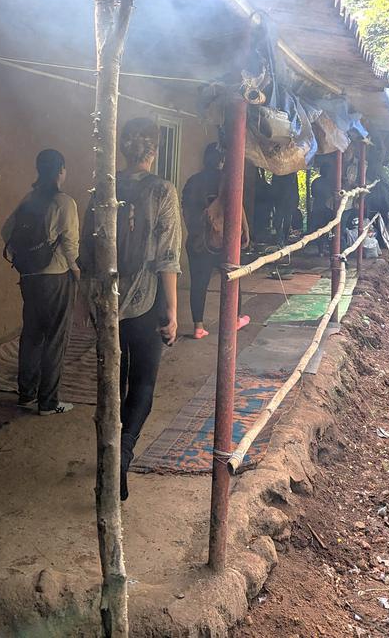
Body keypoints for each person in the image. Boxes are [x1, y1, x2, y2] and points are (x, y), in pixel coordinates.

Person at [113, 118, 182, 501]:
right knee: (143, 383)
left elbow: (88, 254)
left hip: (107, 303)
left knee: (112, 382)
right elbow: (167, 257)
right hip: (145, 303)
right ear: (153, 151)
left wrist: (83, 303)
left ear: (124, 149)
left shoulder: (102, 189)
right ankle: (123, 451)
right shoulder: (162, 192)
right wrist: (171, 312)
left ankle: (109, 449)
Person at [1, 149, 80, 415]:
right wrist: (76, 271)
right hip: (55, 277)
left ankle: (26, 394)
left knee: (32, 335)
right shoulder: (64, 203)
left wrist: (22, 256)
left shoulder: (30, 199)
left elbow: (6, 230)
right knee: (56, 338)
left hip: (29, 277)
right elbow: (70, 245)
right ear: (60, 171)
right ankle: (48, 401)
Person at [180, 144, 250, 340]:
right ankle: (235, 318)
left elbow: (186, 210)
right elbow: (238, 208)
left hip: (198, 241)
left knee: (198, 283)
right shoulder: (226, 180)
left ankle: (198, 327)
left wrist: (196, 232)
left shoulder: (193, 181)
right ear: (222, 161)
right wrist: (244, 232)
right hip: (223, 241)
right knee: (232, 277)